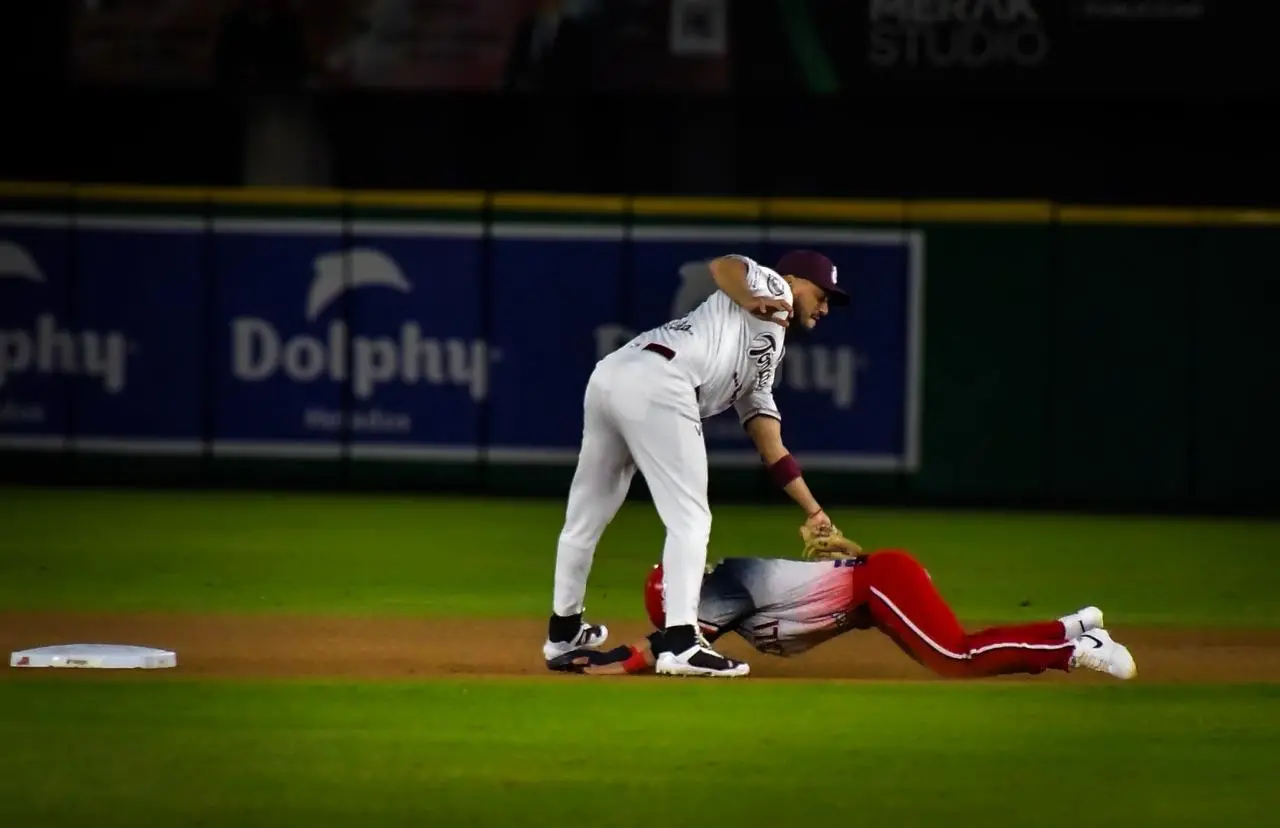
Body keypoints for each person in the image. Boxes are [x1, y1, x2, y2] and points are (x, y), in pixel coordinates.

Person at [542, 250, 851, 678]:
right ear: (795, 280)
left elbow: (772, 449)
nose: (825, 307)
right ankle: (682, 644)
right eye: (822, 294)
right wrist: (749, 296)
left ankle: (563, 633)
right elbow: (725, 266)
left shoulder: (763, 355)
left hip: (612, 376)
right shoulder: (776, 288)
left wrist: (814, 512)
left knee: (586, 516)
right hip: (661, 380)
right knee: (691, 519)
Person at [547, 547, 1138, 681]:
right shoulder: (725, 602)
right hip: (876, 589)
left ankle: (1072, 652)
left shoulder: (727, 583)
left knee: (954, 658)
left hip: (879, 583)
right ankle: (1071, 627)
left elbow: (661, 649)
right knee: (959, 645)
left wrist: (605, 662)